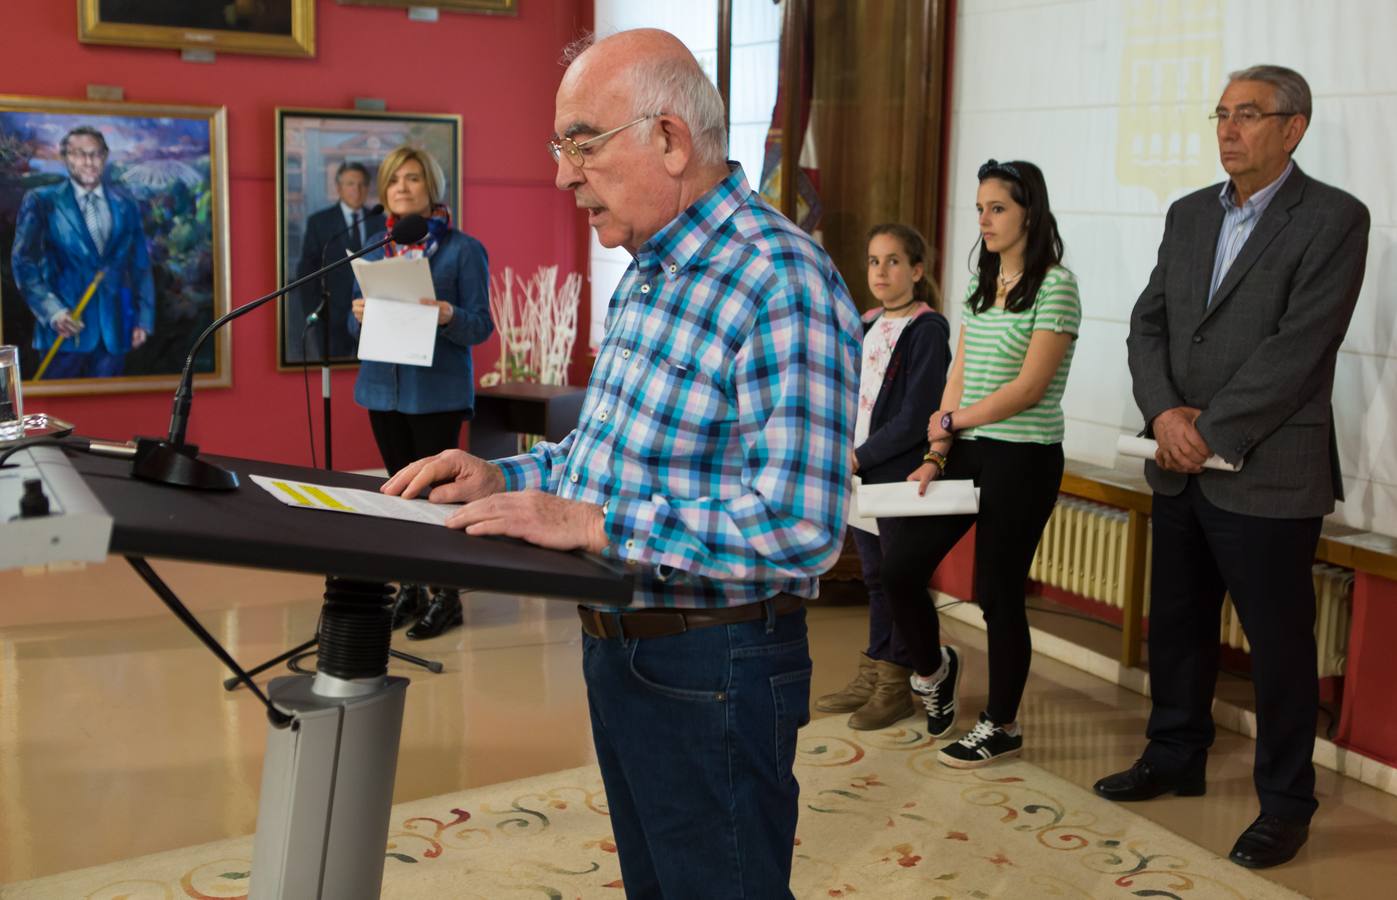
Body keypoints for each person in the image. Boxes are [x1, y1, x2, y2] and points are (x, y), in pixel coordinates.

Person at [381, 29, 861, 899]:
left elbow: (798, 528)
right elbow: (607, 456)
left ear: (670, 141)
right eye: (559, 147)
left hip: (714, 666)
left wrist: (597, 525)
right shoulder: (647, 267)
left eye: (581, 144)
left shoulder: (779, 279)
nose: (562, 175)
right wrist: (509, 479)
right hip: (622, 649)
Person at [1096, 65, 1369, 870]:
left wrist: (1210, 428)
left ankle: (1285, 805)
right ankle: (1172, 754)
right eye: (1221, 113)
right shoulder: (1186, 215)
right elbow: (1148, 326)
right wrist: (1164, 416)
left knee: (1279, 649)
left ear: (1294, 127)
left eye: (1247, 114)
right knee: (1175, 627)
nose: (1227, 128)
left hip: (1267, 471)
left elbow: (1299, 347)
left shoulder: (1332, 219)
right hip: (1177, 465)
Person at [879, 159, 1079, 767]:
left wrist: (952, 423)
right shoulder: (977, 286)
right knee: (901, 568)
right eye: (980, 208)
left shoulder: (1056, 285)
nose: (985, 220)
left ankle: (1002, 723)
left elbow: (1029, 389)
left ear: (1029, 213)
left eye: (998, 208)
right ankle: (936, 672)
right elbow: (959, 376)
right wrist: (937, 453)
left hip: (1026, 459)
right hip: (967, 449)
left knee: (997, 594)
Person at [347, 145, 493, 640]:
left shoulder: (463, 250)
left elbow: (480, 327)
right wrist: (358, 316)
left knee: (435, 499)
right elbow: (355, 332)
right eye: (393, 181)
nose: (402, 188)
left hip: (436, 394)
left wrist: (447, 314)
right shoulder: (373, 245)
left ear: (432, 188)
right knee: (396, 494)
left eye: (412, 178)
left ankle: (446, 595)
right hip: (381, 390)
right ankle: (409, 589)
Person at [816, 223, 949, 731]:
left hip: (893, 473)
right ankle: (873, 669)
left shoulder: (927, 329)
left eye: (894, 261)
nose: (882, 271)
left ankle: (896, 683)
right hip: (860, 472)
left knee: (897, 580)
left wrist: (860, 457)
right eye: (874, 261)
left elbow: (917, 414)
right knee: (874, 579)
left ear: (917, 271)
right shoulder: (867, 321)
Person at [11, 125, 155, 379]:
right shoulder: (42, 201)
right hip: (64, 334)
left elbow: (140, 265)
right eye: (79, 154)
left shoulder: (125, 204)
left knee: (111, 415)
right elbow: (24, 262)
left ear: (105, 157)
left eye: (96, 154)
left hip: (114, 334)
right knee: (58, 415)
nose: (89, 162)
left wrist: (143, 319)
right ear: (65, 157)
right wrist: (52, 311)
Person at [291, 161, 385, 362]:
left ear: (368, 188)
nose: (356, 190)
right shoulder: (319, 222)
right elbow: (307, 270)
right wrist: (314, 311)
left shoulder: (380, 220)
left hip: (371, 316)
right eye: (350, 183)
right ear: (339, 187)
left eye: (361, 184)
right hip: (331, 317)